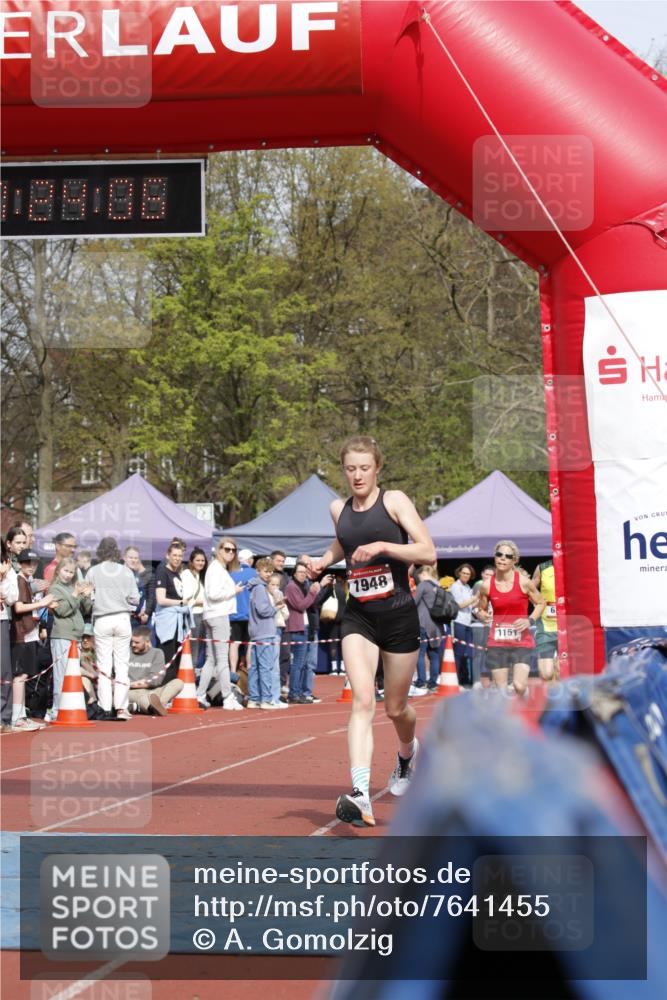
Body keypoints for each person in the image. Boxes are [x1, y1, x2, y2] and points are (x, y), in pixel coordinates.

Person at [311, 435, 436, 828]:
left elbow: (427, 551)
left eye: (365, 468)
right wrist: (321, 561)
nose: (357, 475)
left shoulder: (395, 501)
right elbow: (344, 543)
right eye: (351, 468)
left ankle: (406, 755)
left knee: (395, 708)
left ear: (377, 467)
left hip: (398, 616)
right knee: (362, 700)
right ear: (343, 470)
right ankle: (361, 793)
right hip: (359, 616)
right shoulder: (337, 508)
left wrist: (383, 545)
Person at [477, 539, 545, 697]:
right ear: (494, 557)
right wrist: (483, 615)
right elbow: (481, 609)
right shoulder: (486, 585)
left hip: (521, 640)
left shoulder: (524, 582)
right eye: (499, 554)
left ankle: (524, 704)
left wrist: (529, 620)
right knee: (501, 690)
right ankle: (507, 720)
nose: (502, 558)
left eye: (507, 556)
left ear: (514, 560)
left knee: (519, 686)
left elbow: (541, 603)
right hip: (497, 640)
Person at [86, 537, 140, 720]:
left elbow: (87, 596)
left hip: (102, 619)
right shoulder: (126, 571)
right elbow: (135, 599)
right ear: (117, 551)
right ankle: (121, 708)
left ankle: (105, 706)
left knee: (104, 667)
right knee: (122, 666)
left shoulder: (93, 571)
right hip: (122, 618)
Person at [10, 549, 57, 730]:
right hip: (21, 633)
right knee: (20, 676)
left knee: (24, 675)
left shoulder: (26, 582)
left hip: (29, 632)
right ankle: (17, 717)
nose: (31, 566)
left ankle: (21, 715)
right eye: (27, 563)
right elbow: (19, 607)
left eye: (34, 563)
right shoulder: (19, 581)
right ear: (20, 563)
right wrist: (43, 603)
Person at [198, 538, 245, 711]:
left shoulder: (217, 568)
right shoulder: (216, 569)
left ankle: (200, 694)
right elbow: (213, 594)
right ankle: (227, 697)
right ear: (219, 549)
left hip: (212, 615)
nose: (231, 553)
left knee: (211, 659)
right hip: (218, 616)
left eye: (233, 550)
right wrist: (234, 590)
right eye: (227, 549)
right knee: (222, 659)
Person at [47, 557, 93, 721]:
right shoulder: (55, 588)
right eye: (66, 571)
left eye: (71, 572)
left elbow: (86, 609)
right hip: (62, 635)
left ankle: (67, 707)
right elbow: (63, 611)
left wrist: (87, 596)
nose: (68, 575)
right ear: (58, 570)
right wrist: (75, 594)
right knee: (61, 675)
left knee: (72, 674)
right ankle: (56, 710)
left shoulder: (73, 587)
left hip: (76, 636)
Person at [248, 557, 287, 710]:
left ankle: (254, 698)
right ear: (258, 571)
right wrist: (277, 606)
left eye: (270, 571)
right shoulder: (260, 588)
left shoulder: (256, 587)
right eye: (266, 571)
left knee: (256, 667)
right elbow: (263, 610)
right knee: (265, 667)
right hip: (264, 632)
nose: (268, 574)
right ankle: (266, 699)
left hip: (258, 631)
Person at [285, 563, 323, 704]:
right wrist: (313, 592)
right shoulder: (291, 587)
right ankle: (294, 693)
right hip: (297, 629)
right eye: (300, 572)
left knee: (302, 664)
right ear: (294, 573)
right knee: (297, 664)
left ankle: (298, 692)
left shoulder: (302, 586)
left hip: (304, 628)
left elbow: (313, 603)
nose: (302, 574)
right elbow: (301, 606)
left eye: (304, 572)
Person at [153, 542, 191, 684]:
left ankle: (172, 690)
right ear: (167, 556)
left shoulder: (177, 574)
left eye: (180, 556)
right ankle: (164, 692)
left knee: (176, 658)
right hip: (167, 621)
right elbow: (161, 599)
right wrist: (181, 603)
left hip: (178, 621)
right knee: (168, 658)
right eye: (174, 555)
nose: (177, 558)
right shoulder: (162, 571)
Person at [127, 627, 183, 715]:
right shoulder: (125, 652)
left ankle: (157, 705)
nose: (133, 645)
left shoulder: (157, 653)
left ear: (147, 642)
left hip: (152, 691)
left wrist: (133, 683)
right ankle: (156, 707)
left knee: (178, 683)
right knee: (141, 697)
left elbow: (155, 680)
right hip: (131, 691)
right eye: (132, 642)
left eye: (137, 642)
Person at [413, 565, 444, 691]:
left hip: (423, 623)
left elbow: (414, 602)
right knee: (434, 655)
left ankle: (421, 681)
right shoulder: (439, 587)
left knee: (419, 654)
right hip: (436, 626)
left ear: (424, 574)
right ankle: (433, 682)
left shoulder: (423, 585)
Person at [449, 563, 478, 687]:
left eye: (468, 574)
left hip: (468, 623)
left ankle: (466, 679)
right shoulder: (455, 586)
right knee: (459, 652)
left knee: (468, 652)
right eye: (464, 573)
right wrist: (475, 598)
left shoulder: (467, 587)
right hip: (458, 622)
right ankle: (457, 681)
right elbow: (460, 605)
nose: (466, 575)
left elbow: (471, 607)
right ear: (459, 573)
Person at [0, 540, 19, 734]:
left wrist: (3, 577)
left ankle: (3, 718)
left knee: (3, 669)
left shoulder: (8, 569)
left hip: (1, 620)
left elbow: (13, 597)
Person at [229, 548, 256, 675]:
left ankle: (233, 671)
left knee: (234, 644)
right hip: (250, 615)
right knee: (250, 643)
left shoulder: (231, 573)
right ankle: (249, 669)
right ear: (249, 560)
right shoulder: (255, 573)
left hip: (234, 614)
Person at [532, 558, 558, 681]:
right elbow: (529, 590)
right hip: (546, 626)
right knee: (546, 673)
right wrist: (537, 603)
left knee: (563, 671)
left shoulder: (575, 565)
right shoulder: (543, 567)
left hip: (568, 627)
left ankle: (560, 698)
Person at [181, 547, 207, 668]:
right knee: (193, 648)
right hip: (193, 615)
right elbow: (186, 598)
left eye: (202, 560)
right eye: (198, 560)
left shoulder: (200, 575)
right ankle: (190, 676)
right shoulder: (187, 574)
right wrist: (201, 602)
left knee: (199, 647)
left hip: (203, 614)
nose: (201, 563)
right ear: (191, 561)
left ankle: (194, 672)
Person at [471, 565, 493, 687]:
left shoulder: (495, 586)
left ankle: (492, 681)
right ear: (482, 574)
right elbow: (474, 605)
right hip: (478, 624)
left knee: (492, 653)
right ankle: (477, 681)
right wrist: (481, 616)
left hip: (490, 624)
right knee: (478, 653)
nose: (488, 577)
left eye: (491, 575)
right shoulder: (478, 585)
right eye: (486, 574)